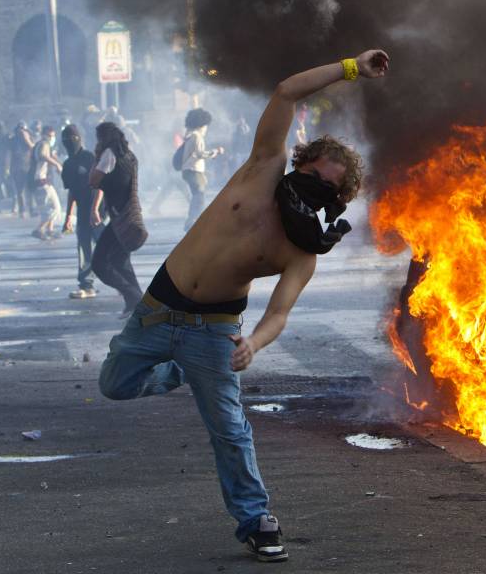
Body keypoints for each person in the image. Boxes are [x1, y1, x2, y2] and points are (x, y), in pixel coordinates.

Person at [98, 50, 388, 562]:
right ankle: (179, 374)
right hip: (156, 307)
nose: (316, 187)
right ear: (301, 160)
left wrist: (253, 342)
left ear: (337, 200)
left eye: (329, 189)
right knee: (113, 385)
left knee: (231, 431)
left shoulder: (302, 252)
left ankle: (256, 520)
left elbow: (278, 313)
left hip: (214, 330)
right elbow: (286, 90)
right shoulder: (262, 168)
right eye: (315, 173)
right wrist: (351, 67)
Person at [88, 122, 147, 314]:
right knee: (121, 261)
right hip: (128, 214)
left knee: (99, 263)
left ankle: (135, 297)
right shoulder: (129, 155)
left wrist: (97, 157)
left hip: (120, 218)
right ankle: (137, 304)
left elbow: (93, 180)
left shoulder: (109, 155)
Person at [60, 125, 98, 299]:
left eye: (72, 138)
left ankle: (124, 284)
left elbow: (100, 185)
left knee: (108, 247)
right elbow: (72, 192)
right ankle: (86, 285)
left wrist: (96, 209)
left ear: (79, 139)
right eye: (66, 139)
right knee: (83, 247)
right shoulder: (67, 165)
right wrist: (68, 216)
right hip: (83, 210)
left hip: (99, 211)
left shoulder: (90, 158)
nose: (69, 142)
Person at [174, 108, 225, 230]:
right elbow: (200, 154)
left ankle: (193, 221)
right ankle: (192, 221)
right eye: (206, 126)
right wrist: (216, 152)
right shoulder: (197, 137)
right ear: (201, 125)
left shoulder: (190, 136)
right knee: (199, 196)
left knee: (198, 195)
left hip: (190, 170)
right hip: (193, 170)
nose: (206, 129)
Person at [29, 123, 63, 240]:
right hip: (40, 181)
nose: (51, 138)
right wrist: (57, 165)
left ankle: (50, 230)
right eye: (50, 135)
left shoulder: (40, 144)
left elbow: (50, 156)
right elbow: (44, 155)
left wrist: (59, 164)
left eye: (52, 136)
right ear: (44, 135)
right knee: (55, 208)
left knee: (49, 206)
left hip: (41, 181)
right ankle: (39, 229)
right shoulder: (44, 143)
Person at [10, 122, 34, 216]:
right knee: (20, 190)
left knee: (30, 189)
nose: (21, 132)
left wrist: (27, 139)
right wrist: (7, 168)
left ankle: (31, 210)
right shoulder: (12, 140)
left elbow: (33, 147)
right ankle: (22, 210)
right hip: (17, 167)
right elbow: (9, 153)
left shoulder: (29, 138)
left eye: (23, 130)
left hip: (28, 166)